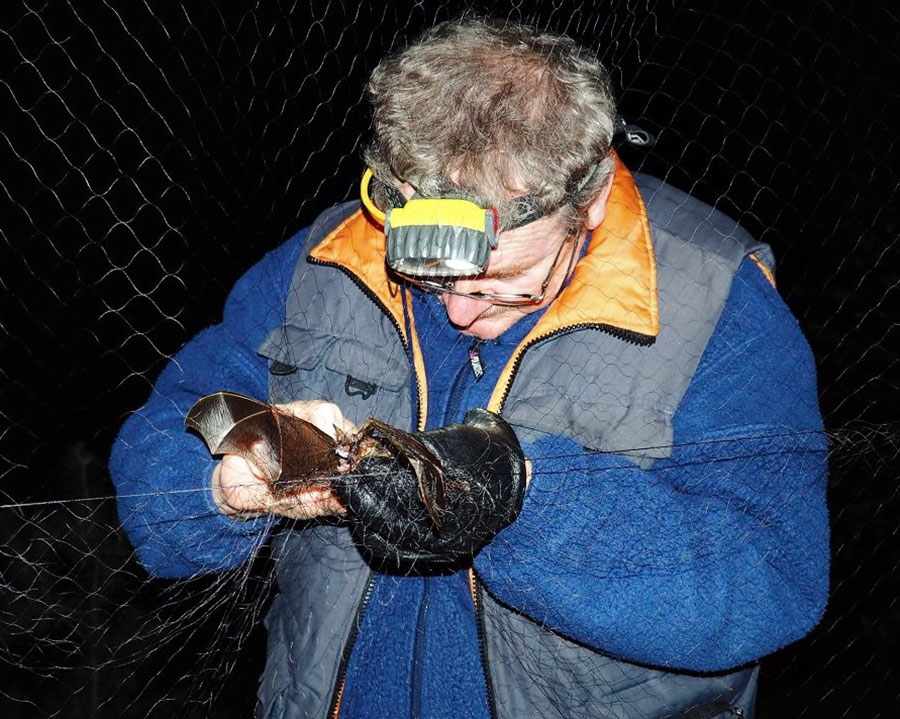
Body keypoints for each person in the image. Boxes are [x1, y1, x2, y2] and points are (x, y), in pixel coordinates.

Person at [110, 17, 829, 719]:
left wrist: (526, 501)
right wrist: (227, 481)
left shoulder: (714, 300)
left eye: (500, 282)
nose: (457, 313)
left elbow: (771, 582)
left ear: (594, 196)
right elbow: (161, 450)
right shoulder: (321, 264)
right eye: (426, 274)